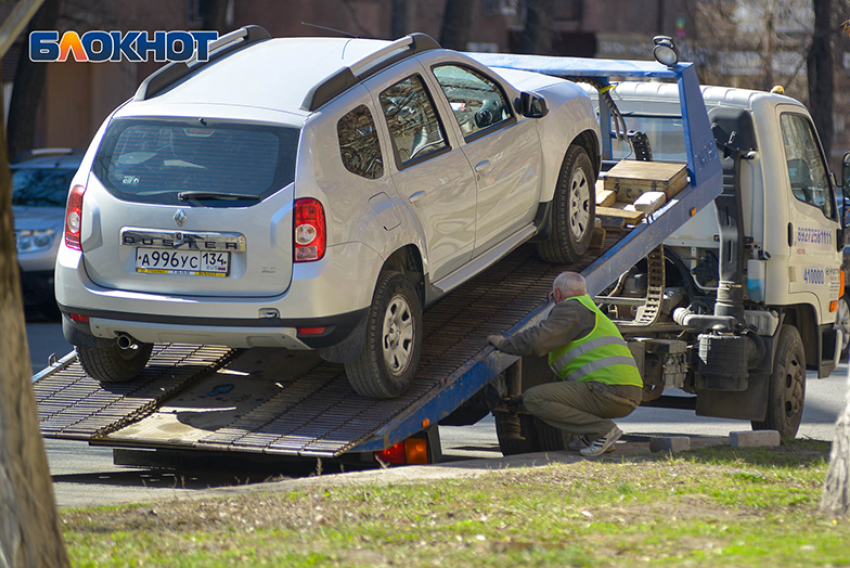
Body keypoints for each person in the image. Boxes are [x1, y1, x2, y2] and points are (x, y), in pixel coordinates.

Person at [487, 271, 643, 457]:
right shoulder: (589, 310)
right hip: (624, 392)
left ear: (557, 294)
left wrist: (503, 343)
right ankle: (595, 438)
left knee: (534, 399)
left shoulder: (571, 309)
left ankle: (602, 430)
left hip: (609, 391)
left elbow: (538, 340)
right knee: (549, 392)